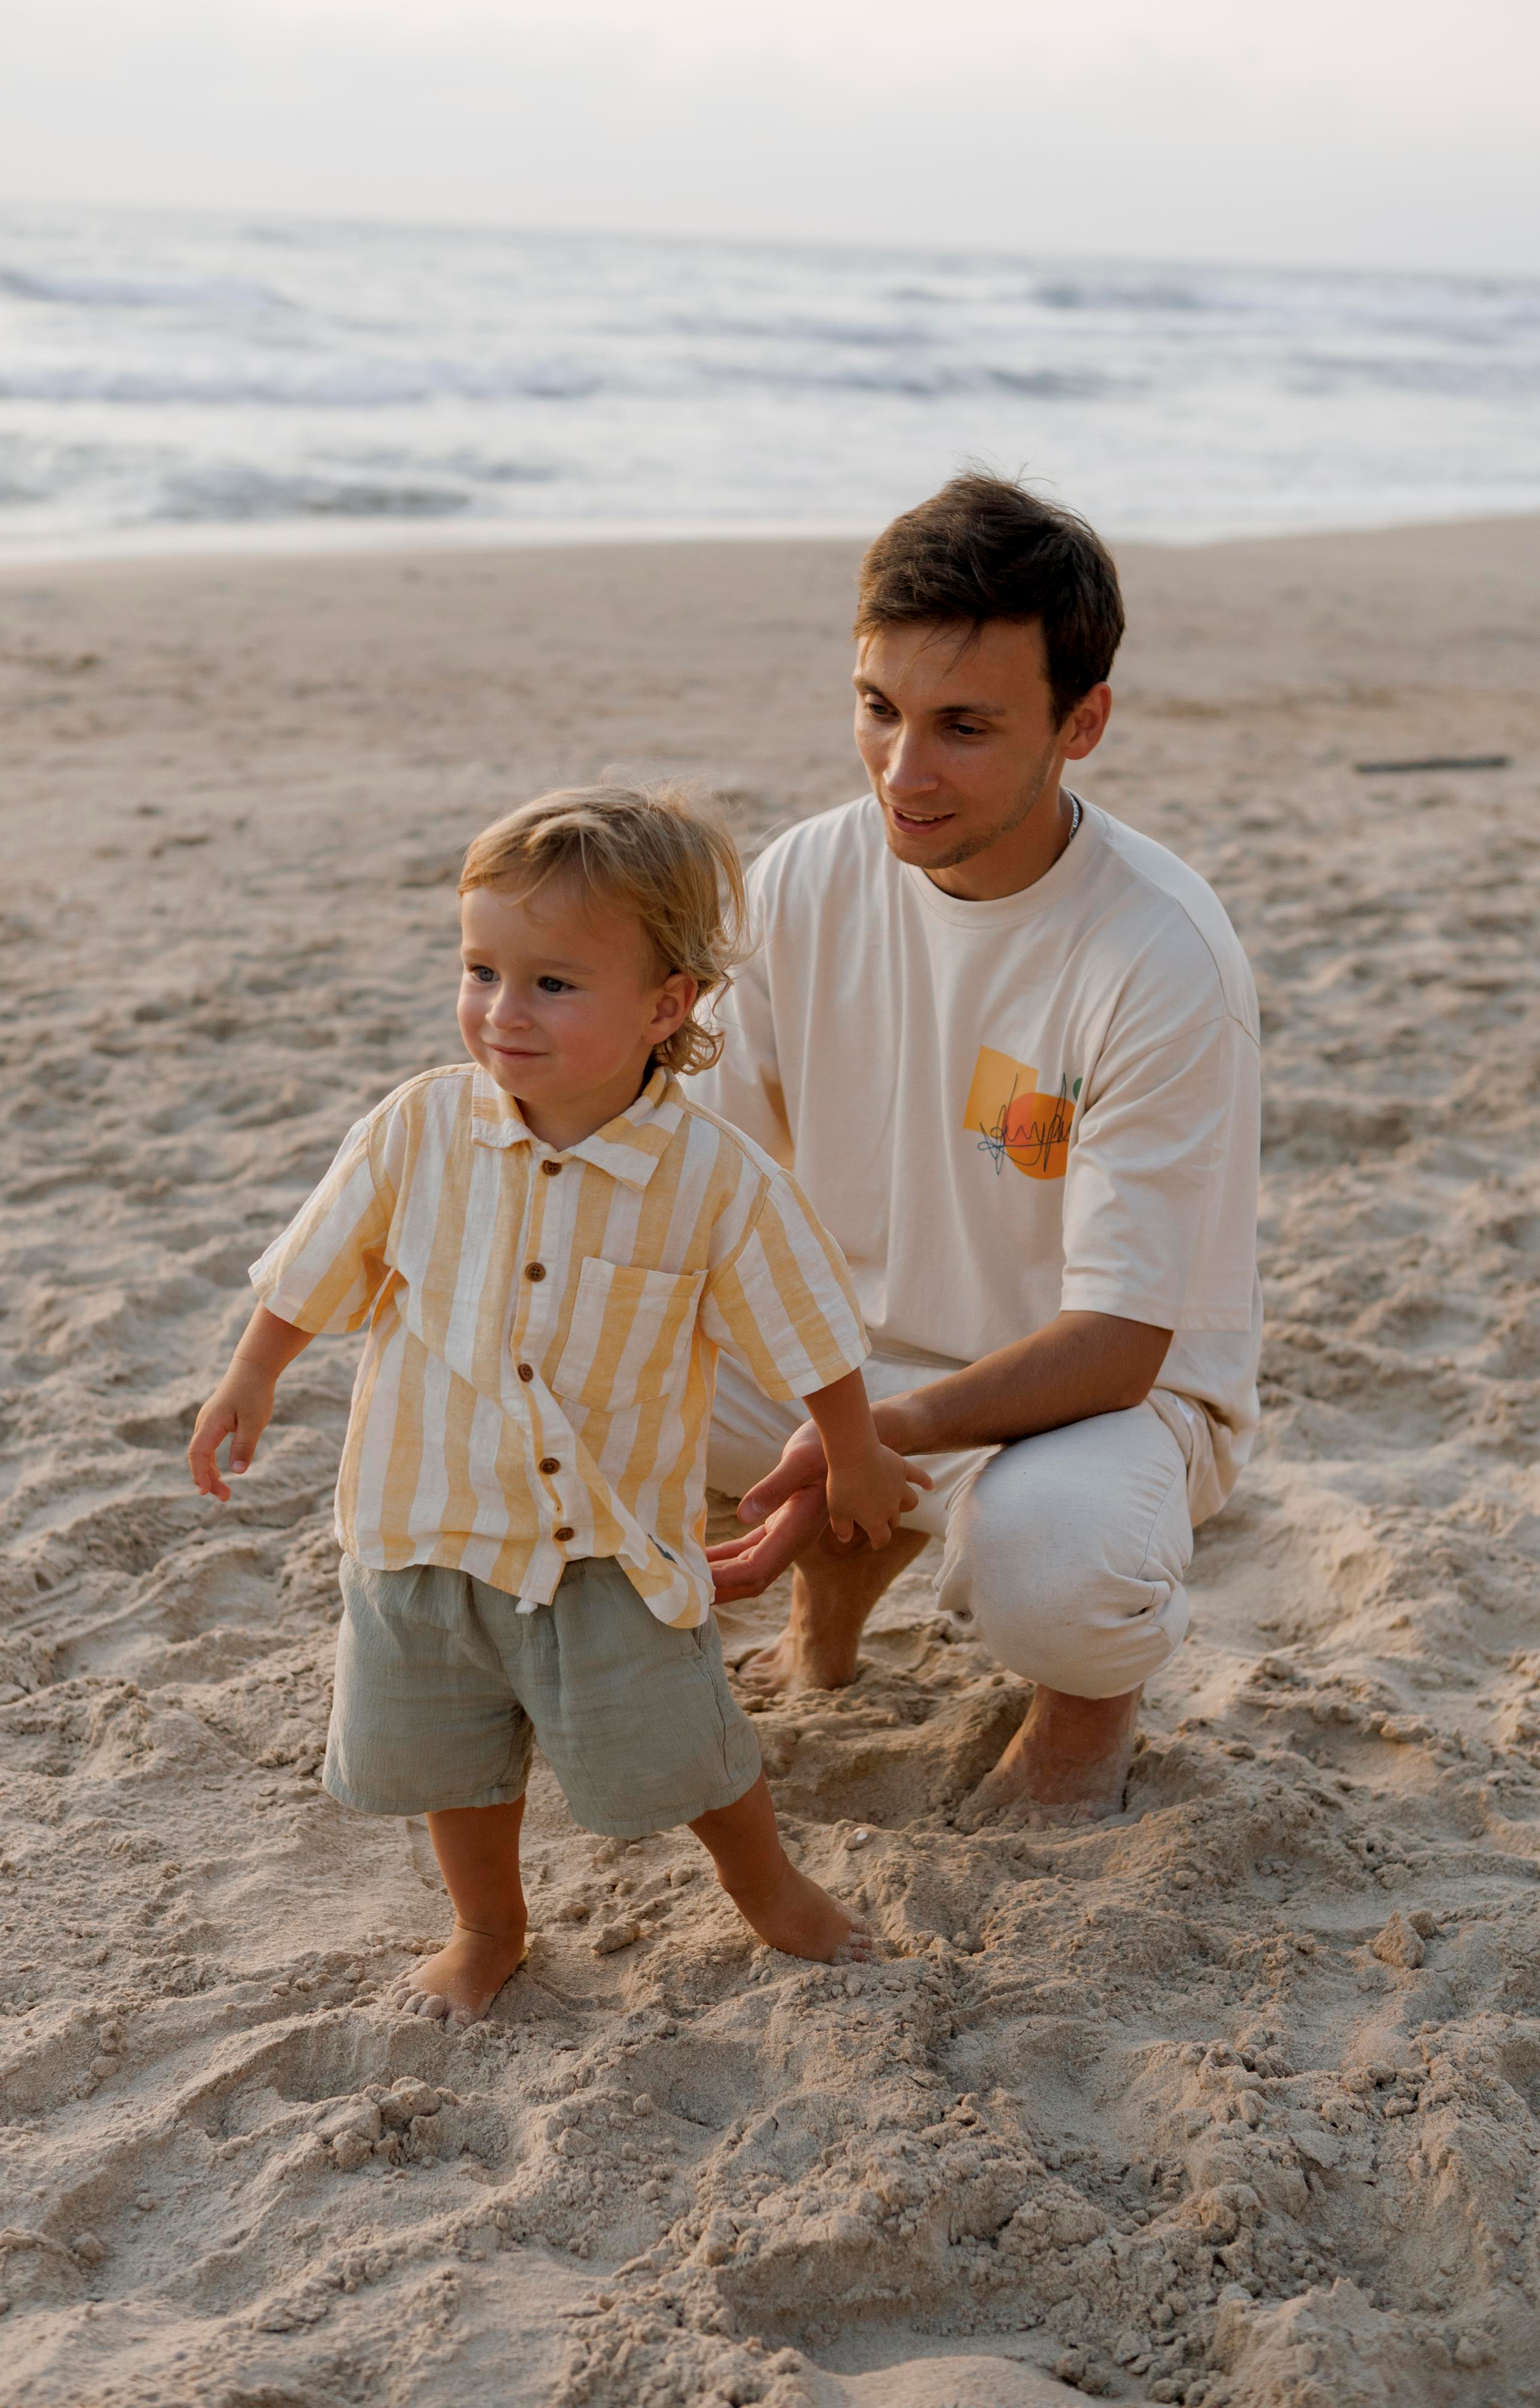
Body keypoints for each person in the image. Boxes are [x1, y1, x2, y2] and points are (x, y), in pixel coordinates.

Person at [187, 785, 928, 2024]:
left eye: (552, 984)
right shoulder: (419, 1125)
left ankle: (771, 1893)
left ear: (666, 1004)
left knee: (687, 1747)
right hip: (426, 1524)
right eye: (481, 969)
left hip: (604, 1550)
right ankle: (488, 1927)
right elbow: (319, 1261)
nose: (501, 1011)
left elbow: (809, 1330)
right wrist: (252, 1373)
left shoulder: (712, 1179)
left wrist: (851, 1456)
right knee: (451, 1760)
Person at [693, 473, 1261, 1818]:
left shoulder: (1157, 954)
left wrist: (866, 1428)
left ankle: (1082, 1710)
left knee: (1055, 1570)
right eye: (877, 710)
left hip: (1104, 1405)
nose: (902, 769)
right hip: (852, 1367)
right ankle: (849, 1561)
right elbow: (701, 1193)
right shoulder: (805, 878)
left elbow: (1118, 1345)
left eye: (961, 727)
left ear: (1082, 724)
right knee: (570, 1375)